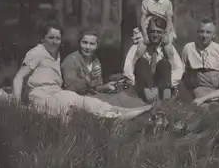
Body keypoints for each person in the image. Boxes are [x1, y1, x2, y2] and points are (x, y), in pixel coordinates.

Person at [12, 21, 152, 121]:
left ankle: (123, 113)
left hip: (56, 93)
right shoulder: (37, 52)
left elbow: (94, 85)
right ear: (43, 38)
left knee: (86, 102)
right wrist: (17, 106)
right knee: (78, 103)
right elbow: (18, 78)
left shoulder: (56, 55)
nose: (55, 42)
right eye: (51, 38)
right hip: (41, 96)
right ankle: (118, 115)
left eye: (58, 38)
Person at [60, 29, 146, 108]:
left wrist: (106, 87)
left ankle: (145, 109)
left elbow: (95, 87)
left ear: (97, 45)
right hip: (78, 101)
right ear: (79, 43)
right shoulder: (71, 61)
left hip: (94, 97)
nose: (87, 47)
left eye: (92, 44)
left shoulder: (95, 61)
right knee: (115, 103)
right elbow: (70, 90)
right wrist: (89, 81)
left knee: (123, 97)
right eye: (84, 42)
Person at [123, 17, 184, 103]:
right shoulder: (138, 47)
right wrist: (135, 83)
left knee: (164, 64)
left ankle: (164, 96)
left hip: (161, 85)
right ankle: (148, 95)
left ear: (164, 34)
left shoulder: (168, 48)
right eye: (152, 31)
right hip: (143, 86)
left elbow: (179, 70)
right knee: (141, 62)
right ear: (147, 33)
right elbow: (127, 69)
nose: (155, 35)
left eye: (159, 32)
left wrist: (170, 83)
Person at [182, 19, 219, 100]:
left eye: (208, 32)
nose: (204, 36)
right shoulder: (189, 48)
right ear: (197, 33)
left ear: (214, 35)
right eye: (201, 32)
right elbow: (183, 71)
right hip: (200, 88)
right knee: (199, 93)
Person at [134, 0, 176, 66]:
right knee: (140, 49)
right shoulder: (147, 1)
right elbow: (142, 19)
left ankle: (173, 71)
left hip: (163, 27)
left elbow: (169, 21)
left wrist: (166, 34)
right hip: (148, 26)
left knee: (169, 50)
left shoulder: (167, 3)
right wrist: (145, 35)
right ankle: (132, 69)